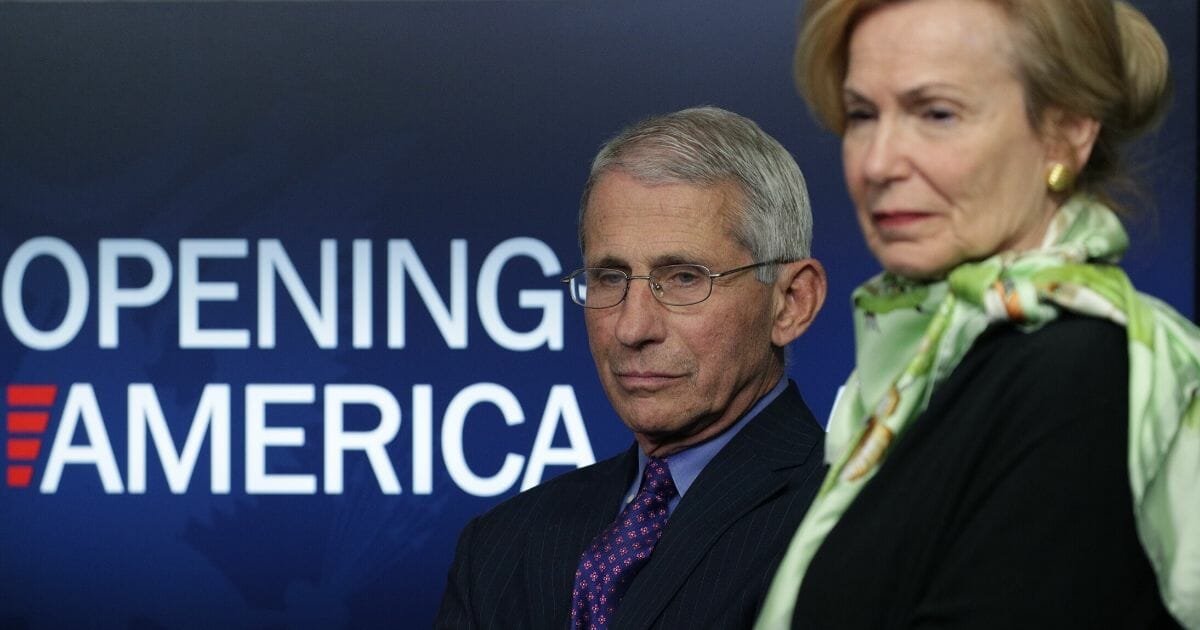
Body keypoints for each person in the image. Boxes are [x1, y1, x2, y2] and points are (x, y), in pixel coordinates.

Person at [754, 1, 1199, 628]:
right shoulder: (923, 371)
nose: (878, 163)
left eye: (936, 113)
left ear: (1068, 131)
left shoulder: (1077, 375)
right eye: (862, 115)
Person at [435, 106, 829, 629]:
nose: (631, 327)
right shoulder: (502, 545)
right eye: (610, 278)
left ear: (790, 302)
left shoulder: (863, 523)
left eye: (686, 277)